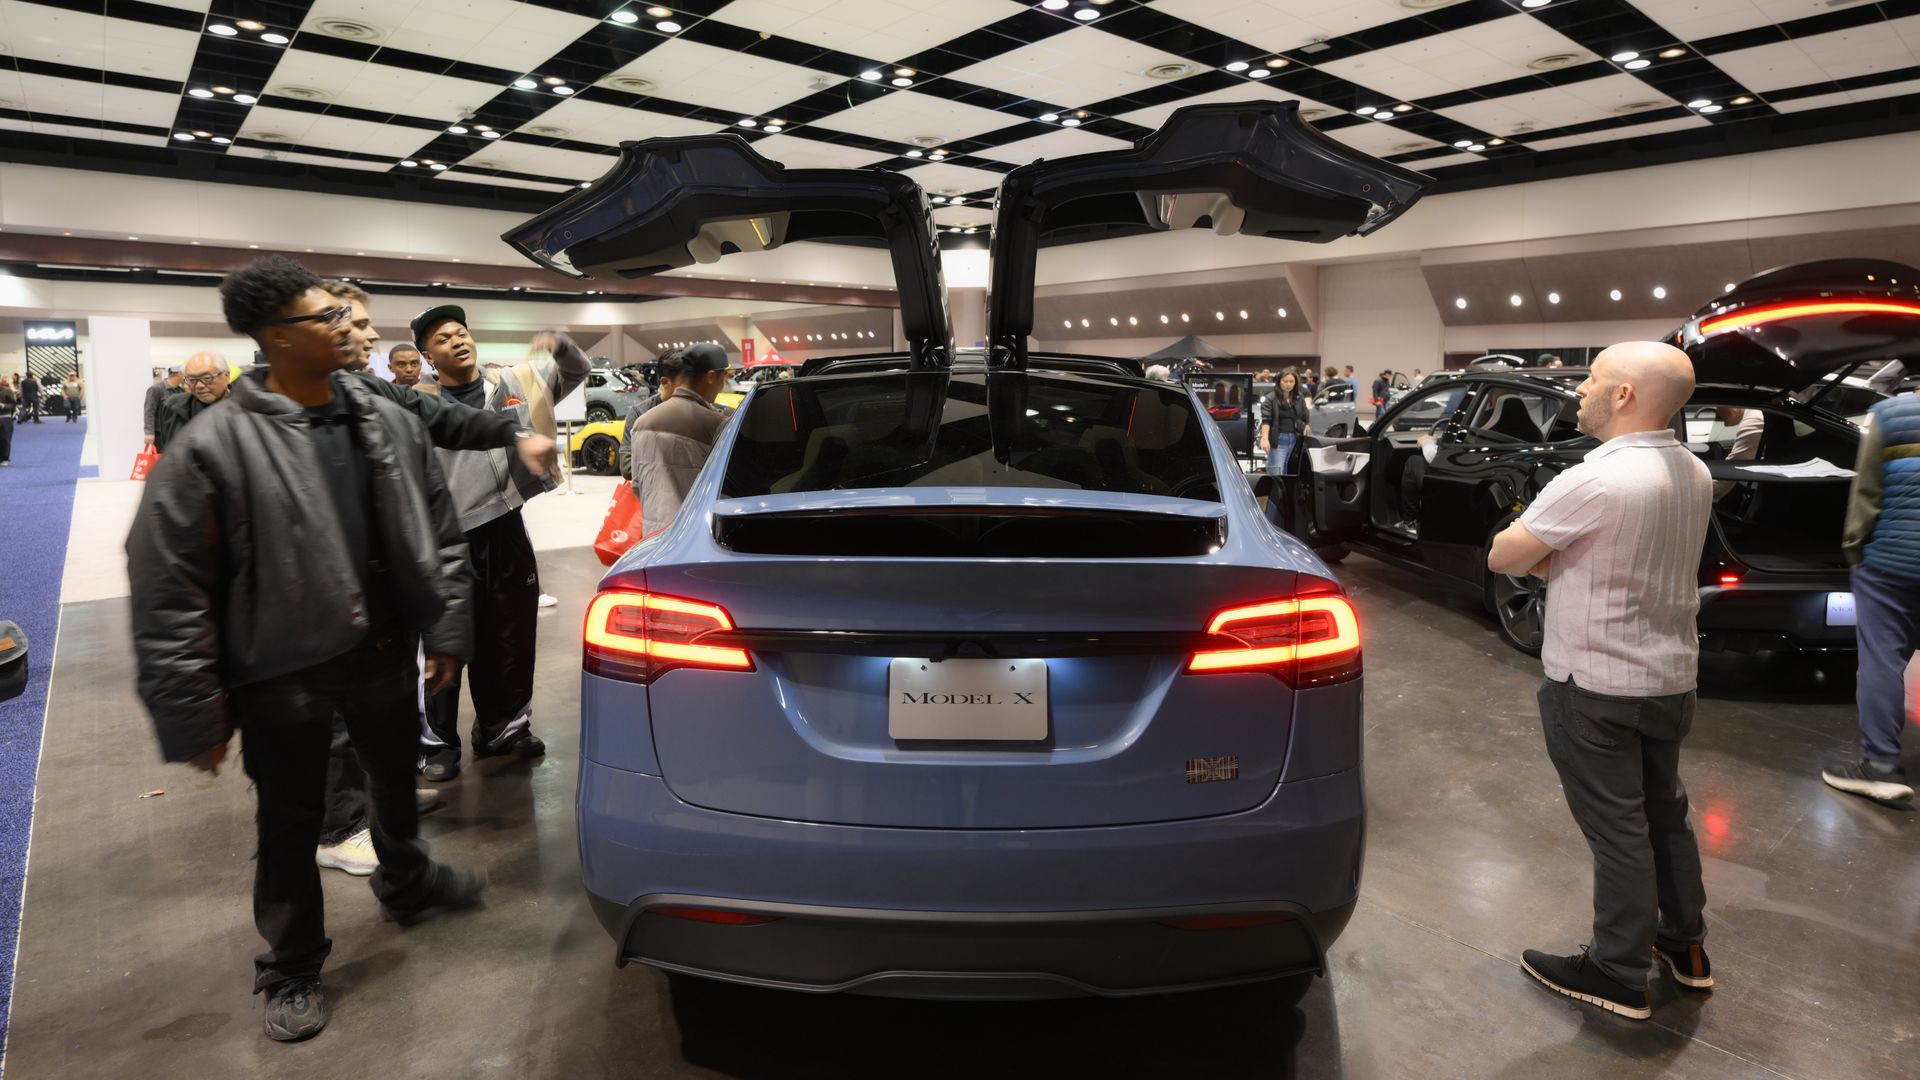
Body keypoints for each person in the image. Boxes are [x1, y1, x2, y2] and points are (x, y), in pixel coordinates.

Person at [126, 255, 486, 1044]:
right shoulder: (214, 446)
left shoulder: (386, 415)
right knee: (290, 822)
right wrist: (195, 716)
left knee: (394, 782)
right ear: (275, 337)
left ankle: (408, 881)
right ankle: (291, 966)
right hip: (285, 670)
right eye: (324, 318)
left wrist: (447, 626)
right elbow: (169, 590)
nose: (346, 328)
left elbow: (440, 531)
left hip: (384, 647)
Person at [1487, 341, 1713, 1021]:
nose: (1580, 389)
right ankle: (1686, 948)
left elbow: (1505, 555)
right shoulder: (1695, 472)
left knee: (1618, 830)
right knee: (1663, 814)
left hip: (1595, 683)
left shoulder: (1594, 478)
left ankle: (1616, 971)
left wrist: (1553, 560)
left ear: (1624, 396)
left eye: (1592, 378)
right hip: (1669, 679)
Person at [414, 305, 589, 779]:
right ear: (427, 355)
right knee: (443, 643)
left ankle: (503, 728)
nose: (457, 340)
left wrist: (559, 343)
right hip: (446, 538)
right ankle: (436, 745)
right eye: (443, 338)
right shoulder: (417, 402)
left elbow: (576, 371)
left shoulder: (513, 382)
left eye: (461, 332)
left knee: (509, 633)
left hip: (506, 525)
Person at [1827, 392, 1920, 803]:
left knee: (1882, 659)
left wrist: (1854, 549)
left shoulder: (1891, 413)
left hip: (1891, 563)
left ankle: (1880, 766)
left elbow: (1866, 491)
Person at [629, 342, 730, 536]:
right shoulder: (716, 424)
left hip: (653, 535)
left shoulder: (642, 422)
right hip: (696, 535)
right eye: (722, 379)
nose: (721, 386)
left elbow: (637, 485)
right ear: (711, 377)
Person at [620, 357, 681, 482]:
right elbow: (627, 467)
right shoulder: (640, 413)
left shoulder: (698, 413)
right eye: (686, 383)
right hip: (653, 494)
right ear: (665, 382)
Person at [155, 353, 232, 451]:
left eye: (207, 378)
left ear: (227, 376)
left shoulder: (245, 409)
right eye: (192, 380)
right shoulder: (173, 407)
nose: (199, 385)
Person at [0, 376, 15, 466]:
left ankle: (5, 458)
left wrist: (3, 406)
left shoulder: (7, 391)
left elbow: (13, 404)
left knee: (5, 439)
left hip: (5, 417)